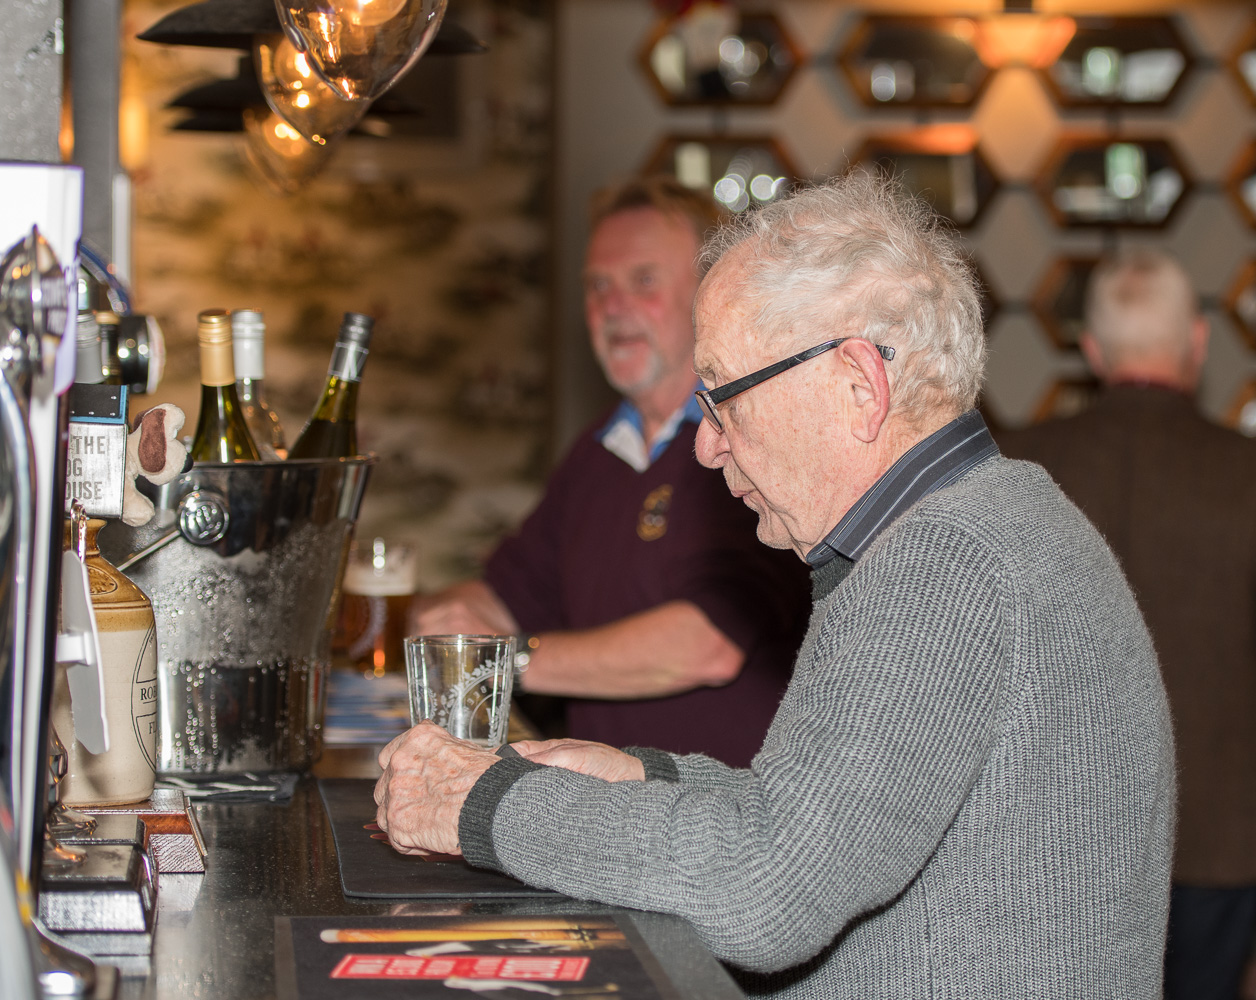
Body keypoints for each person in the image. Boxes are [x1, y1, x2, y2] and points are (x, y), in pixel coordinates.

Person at [376, 174, 1177, 998]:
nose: (707, 446)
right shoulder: (985, 516)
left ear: (859, 385)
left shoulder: (942, 559)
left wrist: (483, 802)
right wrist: (640, 778)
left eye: (724, 397)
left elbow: (770, 892)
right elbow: (825, 817)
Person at [998, 248, 1256, 1000]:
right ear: (1198, 341)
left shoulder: (1021, 464)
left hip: (1058, 812)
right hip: (1218, 817)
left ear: (1092, 350)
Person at [412, 176, 808, 767]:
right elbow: (508, 593)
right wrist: (440, 621)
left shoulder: (748, 442)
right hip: (599, 809)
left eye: (643, 280)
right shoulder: (598, 451)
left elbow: (708, 644)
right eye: (598, 285)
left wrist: (506, 660)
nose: (612, 307)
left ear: (711, 293)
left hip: (724, 811)